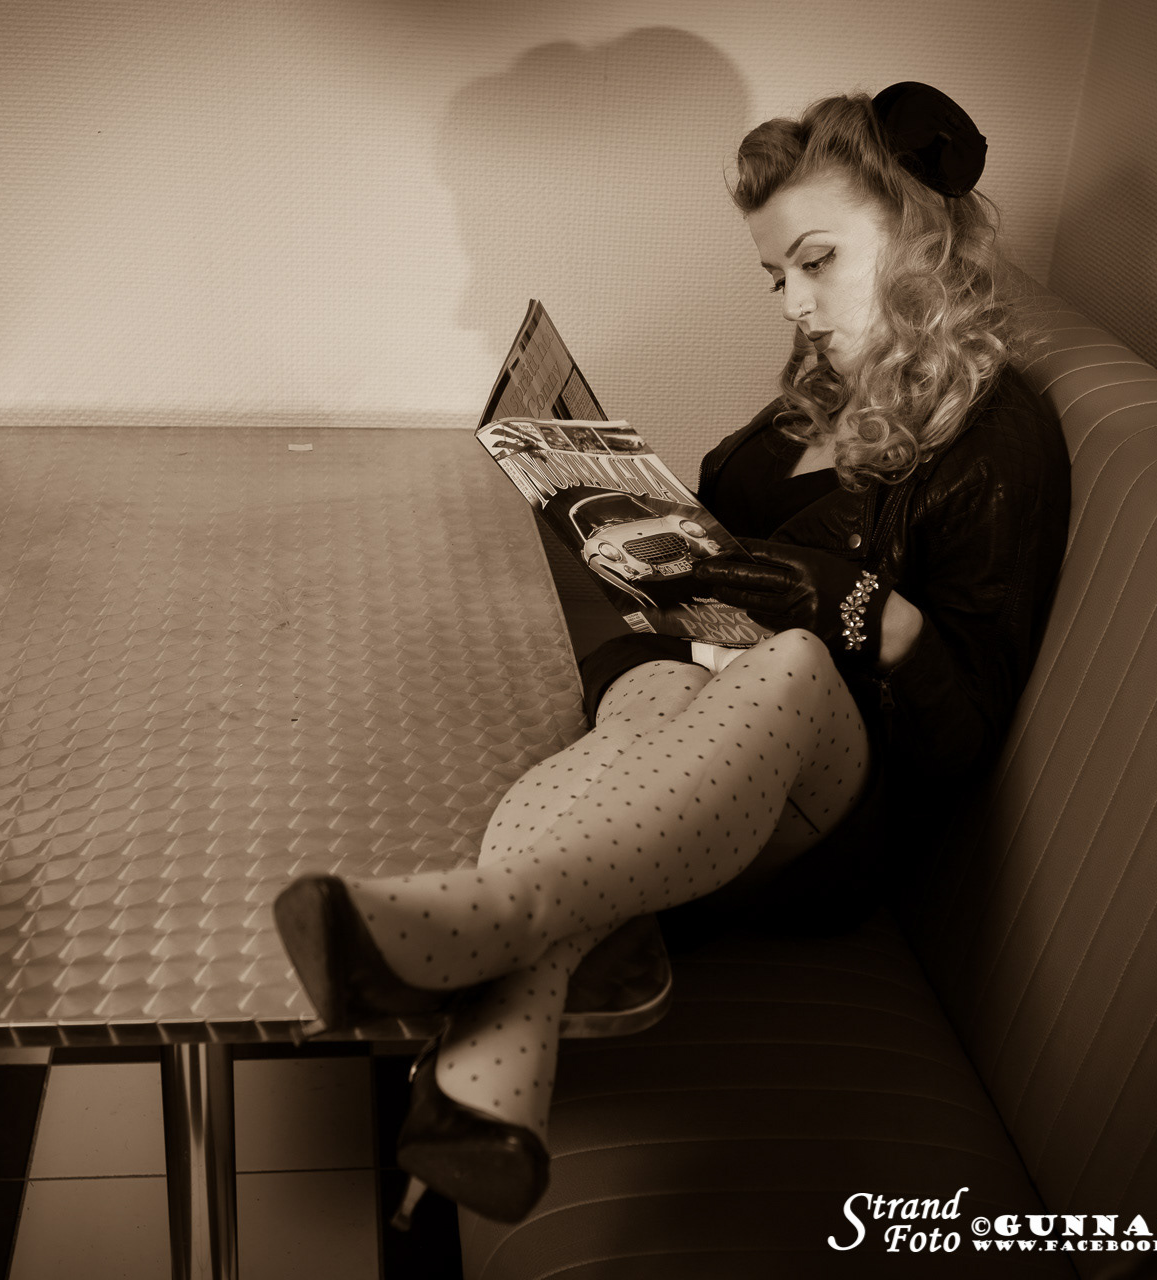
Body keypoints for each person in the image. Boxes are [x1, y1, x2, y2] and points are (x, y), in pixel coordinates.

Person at [273, 82, 1072, 1225]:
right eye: (775, 275)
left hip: (830, 798)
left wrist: (854, 606)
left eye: (816, 261)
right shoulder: (823, 391)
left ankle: (462, 922)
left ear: (920, 234)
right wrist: (625, 514)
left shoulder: (1000, 441)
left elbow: (964, 737)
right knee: (650, 688)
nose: (795, 303)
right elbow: (724, 545)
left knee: (791, 664)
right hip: (695, 698)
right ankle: (482, 1101)